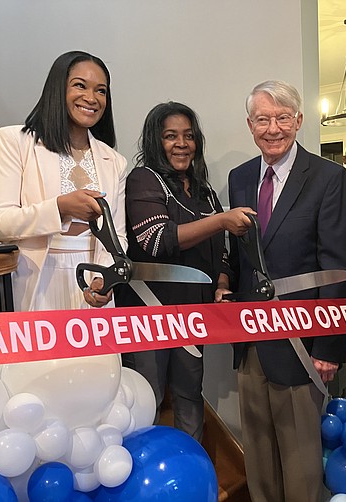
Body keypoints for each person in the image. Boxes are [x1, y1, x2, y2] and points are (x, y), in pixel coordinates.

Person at [221, 80, 346, 502]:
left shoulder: (328, 177)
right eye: (263, 119)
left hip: (303, 339)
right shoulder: (240, 177)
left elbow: (338, 269)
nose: (273, 128)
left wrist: (330, 347)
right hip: (250, 337)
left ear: (298, 121)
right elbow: (239, 254)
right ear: (250, 125)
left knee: (299, 453)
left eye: (282, 118)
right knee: (258, 449)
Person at [116, 101, 254, 441]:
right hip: (149, 314)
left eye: (189, 136)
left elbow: (221, 246)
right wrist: (222, 218)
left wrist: (222, 283)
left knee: (190, 394)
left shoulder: (202, 188)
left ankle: (192, 468)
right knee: (145, 398)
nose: (181, 144)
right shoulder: (143, 179)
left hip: (192, 314)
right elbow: (156, 240)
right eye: (170, 136)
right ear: (155, 141)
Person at [0, 50, 127, 312]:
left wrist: (102, 280)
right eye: (79, 85)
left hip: (90, 283)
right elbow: (0, 224)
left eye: (101, 91)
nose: (91, 98)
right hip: (38, 280)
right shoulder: (15, 141)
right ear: (57, 89)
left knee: (98, 353)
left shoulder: (115, 161)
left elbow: (117, 235)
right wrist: (60, 208)